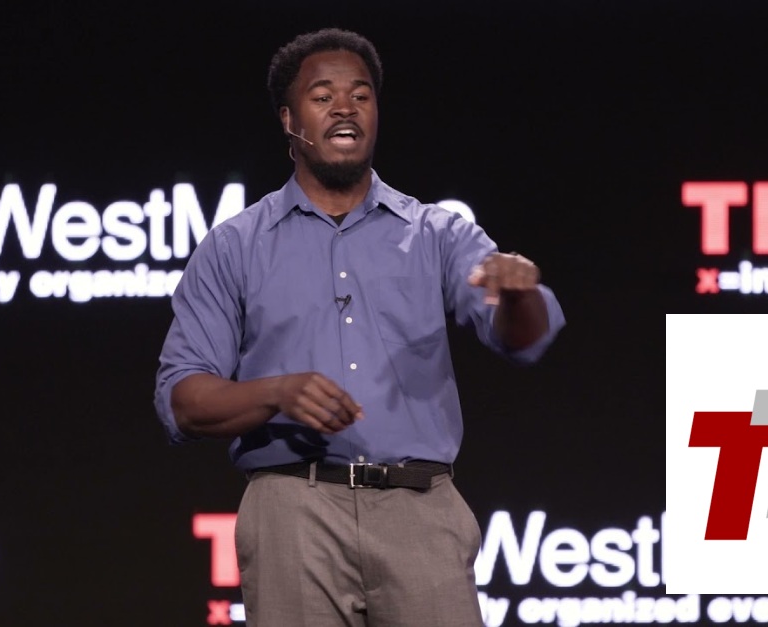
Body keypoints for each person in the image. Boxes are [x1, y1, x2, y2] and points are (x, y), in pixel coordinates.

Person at [154, 27, 565, 626]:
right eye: (323, 96)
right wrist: (277, 392)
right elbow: (183, 400)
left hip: (419, 510)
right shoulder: (233, 247)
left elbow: (522, 339)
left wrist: (519, 293)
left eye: (361, 95)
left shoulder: (438, 234)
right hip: (293, 512)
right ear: (289, 120)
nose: (345, 107)